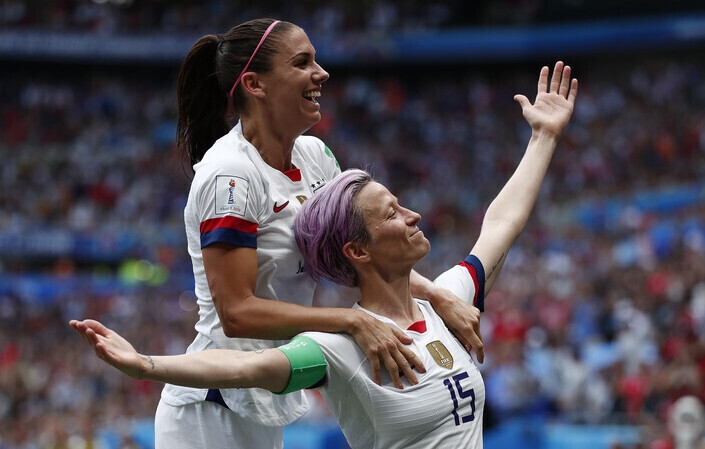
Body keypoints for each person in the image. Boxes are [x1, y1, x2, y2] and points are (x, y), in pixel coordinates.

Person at [71, 61, 577, 448]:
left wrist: (543, 136)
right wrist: (146, 365)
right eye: (393, 212)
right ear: (356, 250)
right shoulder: (339, 346)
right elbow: (246, 368)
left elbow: (500, 225)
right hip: (208, 420)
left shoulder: (448, 303)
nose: (414, 215)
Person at [167, 17, 482, 449]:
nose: (322, 73)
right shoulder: (231, 175)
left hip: (263, 397)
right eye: (302, 63)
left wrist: (438, 296)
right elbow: (236, 313)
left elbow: (359, 251)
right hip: (213, 406)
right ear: (255, 85)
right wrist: (350, 320)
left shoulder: (315, 155)